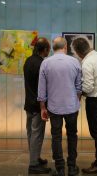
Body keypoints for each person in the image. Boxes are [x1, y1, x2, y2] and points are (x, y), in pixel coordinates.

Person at [37, 37, 82, 176]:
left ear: (52, 47)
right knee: (72, 135)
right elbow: (79, 87)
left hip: (54, 107)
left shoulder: (45, 63)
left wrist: (42, 107)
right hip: (71, 107)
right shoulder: (75, 62)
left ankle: (60, 168)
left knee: (56, 136)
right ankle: (72, 167)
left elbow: (41, 89)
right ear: (66, 47)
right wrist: (77, 101)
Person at [72, 37, 97, 174]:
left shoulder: (87, 63)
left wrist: (76, 92)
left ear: (78, 52)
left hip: (96, 102)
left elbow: (88, 88)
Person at [23, 37, 51, 174]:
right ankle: (33, 164)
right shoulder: (42, 64)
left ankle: (35, 158)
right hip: (38, 105)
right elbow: (44, 87)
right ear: (44, 50)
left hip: (28, 103)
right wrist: (44, 106)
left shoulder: (28, 61)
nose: (49, 52)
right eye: (48, 50)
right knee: (37, 135)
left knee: (31, 133)